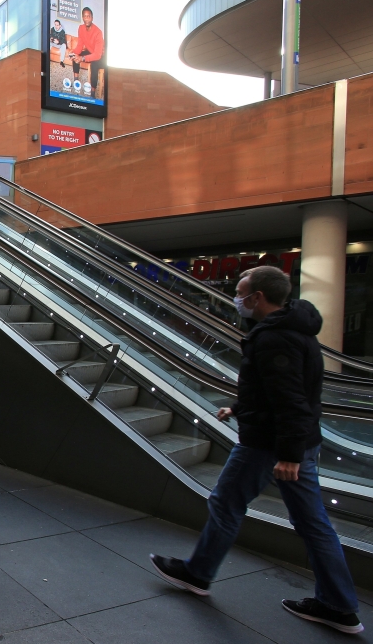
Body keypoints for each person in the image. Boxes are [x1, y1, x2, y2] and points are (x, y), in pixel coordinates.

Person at [150, 266, 363, 635]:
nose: (237, 299)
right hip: (296, 440)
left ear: (257, 298)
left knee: (226, 503)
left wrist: (289, 455)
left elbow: (291, 400)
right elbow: (279, 390)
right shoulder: (297, 329)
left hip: (268, 444)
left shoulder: (274, 338)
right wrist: (241, 407)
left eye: (240, 292)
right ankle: (339, 605)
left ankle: (198, 572)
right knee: (313, 524)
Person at [68, 7, 104, 97]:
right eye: (85, 16)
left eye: (89, 16)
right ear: (82, 18)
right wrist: (73, 53)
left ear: (92, 18)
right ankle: (76, 80)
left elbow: (97, 54)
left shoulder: (98, 32)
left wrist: (82, 58)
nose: (87, 18)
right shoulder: (81, 28)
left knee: (94, 64)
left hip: (101, 56)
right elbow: (80, 45)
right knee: (76, 55)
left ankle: (92, 92)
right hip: (91, 52)